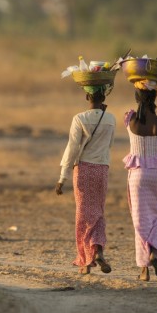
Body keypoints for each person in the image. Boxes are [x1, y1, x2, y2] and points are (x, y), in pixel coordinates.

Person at [55, 85, 116, 275]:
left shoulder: (79, 118)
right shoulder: (111, 118)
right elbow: (110, 145)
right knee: (98, 211)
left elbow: (72, 148)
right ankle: (97, 250)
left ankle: (85, 261)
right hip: (102, 170)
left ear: (87, 95)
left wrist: (62, 177)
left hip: (83, 170)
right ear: (104, 94)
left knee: (82, 216)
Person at [123, 83, 157, 281]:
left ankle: (144, 270)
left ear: (138, 97)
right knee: (153, 217)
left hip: (136, 176)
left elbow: (136, 113)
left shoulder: (130, 119)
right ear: (155, 97)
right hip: (155, 175)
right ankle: (153, 252)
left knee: (139, 223)